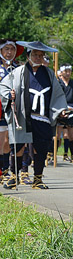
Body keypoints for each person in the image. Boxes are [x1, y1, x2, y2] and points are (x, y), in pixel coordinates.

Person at [1, 41, 70, 190]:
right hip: (22, 115)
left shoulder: (49, 73)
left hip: (42, 117)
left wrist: (60, 109)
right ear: (28, 56)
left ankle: (37, 179)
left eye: (41, 55)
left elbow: (57, 94)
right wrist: (9, 95)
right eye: (35, 55)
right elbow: (4, 86)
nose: (38, 58)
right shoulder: (18, 72)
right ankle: (14, 176)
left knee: (41, 147)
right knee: (18, 146)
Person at [0, 39, 25, 184]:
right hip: (0, 106)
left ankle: (9, 169)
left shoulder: (19, 67)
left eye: (12, 49)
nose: (9, 52)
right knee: (1, 139)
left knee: (11, 139)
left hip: (14, 107)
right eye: (6, 49)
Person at [56, 65, 73, 162]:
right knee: (57, 135)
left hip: (72, 110)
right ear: (62, 72)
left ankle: (72, 155)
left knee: (71, 135)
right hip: (60, 110)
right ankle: (52, 154)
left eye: (69, 71)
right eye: (66, 71)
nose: (68, 73)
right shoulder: (58, 83)